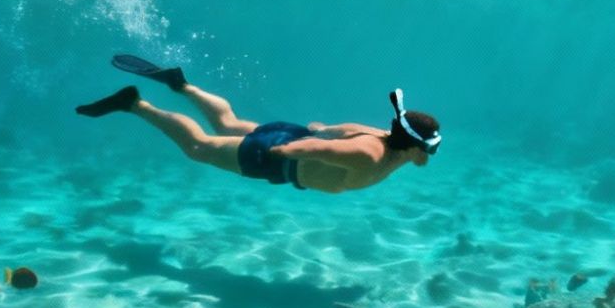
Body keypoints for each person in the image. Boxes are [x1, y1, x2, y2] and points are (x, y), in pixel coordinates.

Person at [75, 56, 441, 194]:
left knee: (228, 121)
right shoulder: (371, 155)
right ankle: (135, 104)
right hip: (280, 157)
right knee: (198, 147)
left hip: (294, 133)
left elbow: (330, 132)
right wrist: (287, 149)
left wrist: (316, 129)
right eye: (430, 148)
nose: (430, 154)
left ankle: (183, 85)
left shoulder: (379, 133)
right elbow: (322, 148)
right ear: (411, 145)